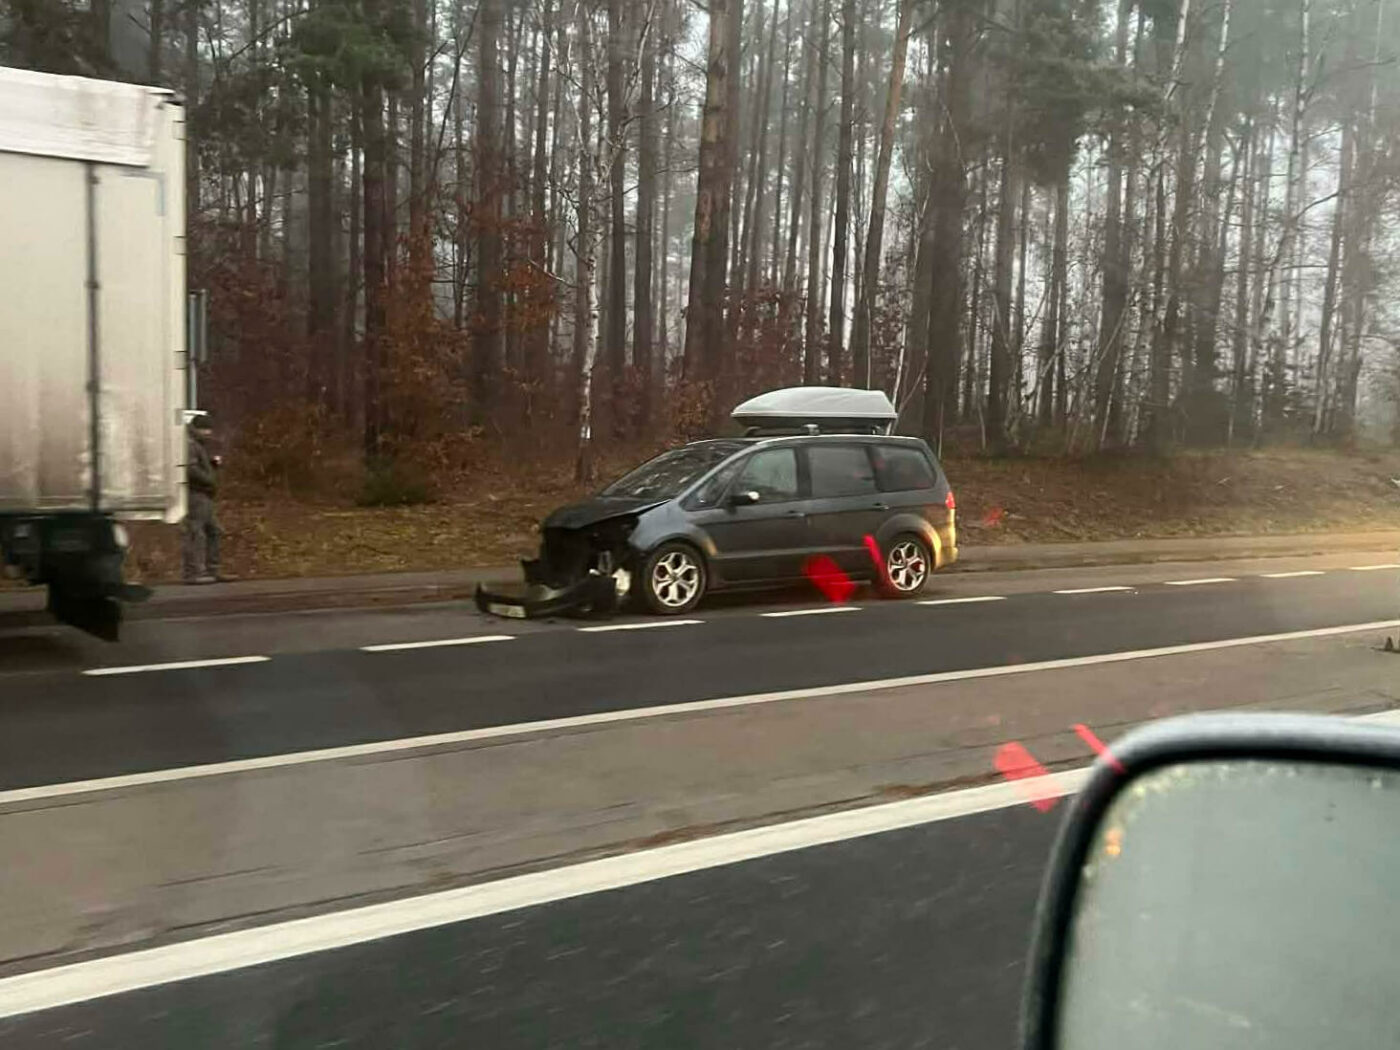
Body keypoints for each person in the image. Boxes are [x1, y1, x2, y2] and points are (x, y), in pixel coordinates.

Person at [183, 411, 227, 584]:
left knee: (213, 530)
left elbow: (196, 465)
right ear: (197, 429)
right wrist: (209, 480)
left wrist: (211, 463)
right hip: (196, 494)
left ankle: (211, 570)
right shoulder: (190, 444)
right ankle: (193, 572)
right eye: (205, 429)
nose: (209, 433)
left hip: (204, 494)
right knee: (196, 532)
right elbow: (191, 469)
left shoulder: (198, 444)